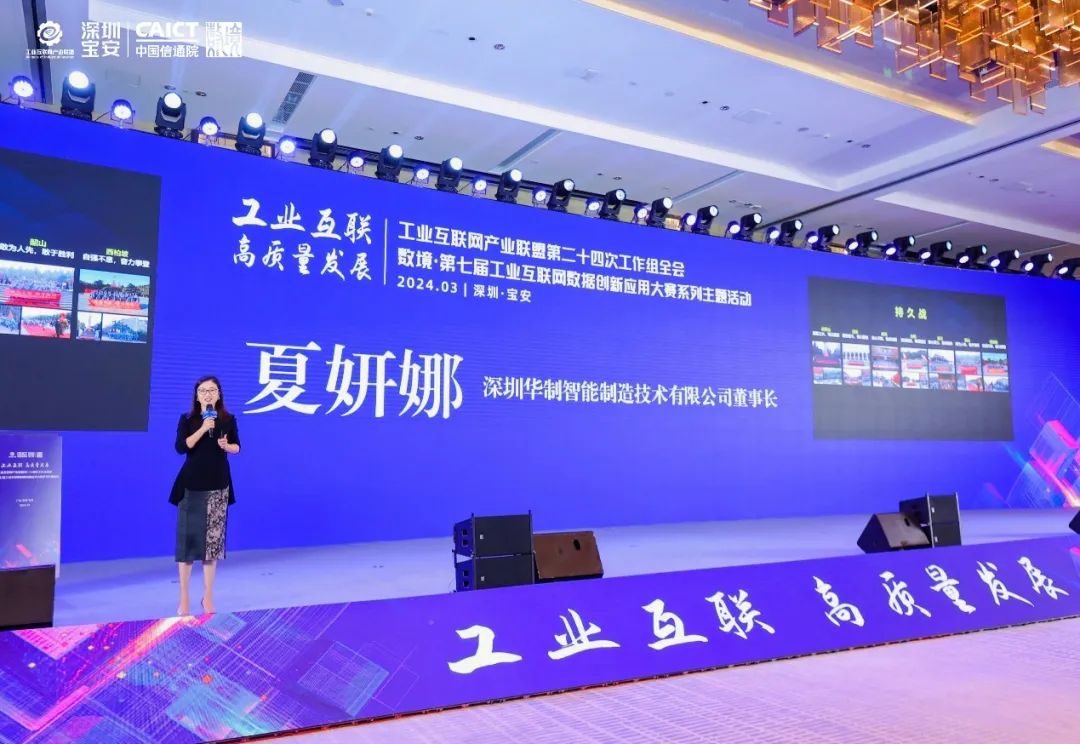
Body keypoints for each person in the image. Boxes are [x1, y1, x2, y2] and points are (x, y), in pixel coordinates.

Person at [170, 375, 241, 616]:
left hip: (218, 485)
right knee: (188, 547)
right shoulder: (188, 419)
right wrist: (203, 428)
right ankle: (184, 598)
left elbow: (237, 446)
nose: (207, 394)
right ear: (197, 396)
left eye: (212, 390)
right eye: (203, 391)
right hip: (191, 486)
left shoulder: (228, 420)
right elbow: (181, 447)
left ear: (219, 394)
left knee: (212, 547)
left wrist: (227, 446)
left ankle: (208, 597)